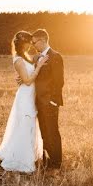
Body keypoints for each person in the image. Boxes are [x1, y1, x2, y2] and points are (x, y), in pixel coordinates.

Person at [0, 31, 48, 173]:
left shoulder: (26, 57)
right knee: (25, 124)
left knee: (29, 124)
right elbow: (28, 81)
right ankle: (21, 159)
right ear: (22, 44)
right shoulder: (18, 59)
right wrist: (40, 65)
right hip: (25, 97)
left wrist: (36, 63)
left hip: (30, 96)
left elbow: (26, 76)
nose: (32, 45)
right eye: (29, 43)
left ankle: (28, 154)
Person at [29, 29, 65, 169]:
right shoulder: (38, 58)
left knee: (52, 133)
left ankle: (56, 164)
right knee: (44, 133)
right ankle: (47, 162)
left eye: (34, 42)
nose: (33, 46)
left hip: (50, 102)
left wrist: (53, 100)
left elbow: (59, 81)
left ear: (43, 40)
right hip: (39, 102)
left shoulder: (55, 56)